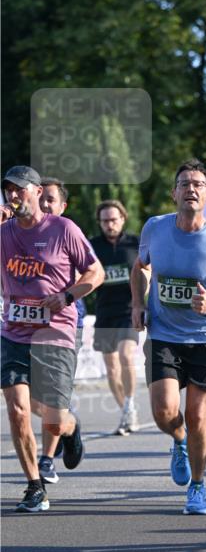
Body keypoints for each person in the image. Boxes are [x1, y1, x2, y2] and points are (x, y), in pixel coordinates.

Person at [130, 158, 206, 514]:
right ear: (174, 193)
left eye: (198, 184)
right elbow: (141, 266)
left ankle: (198, 487)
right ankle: (179, 440)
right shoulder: (155, 228)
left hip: (205, 337)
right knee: (164, 412)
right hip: (164, 333)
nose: (191, 189)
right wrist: (138, 302)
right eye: (184, 183)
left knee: (198, 417)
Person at [1, 165, 104, 512]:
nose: (12, 196)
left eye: (18, 189)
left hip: (55, 331)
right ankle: (34, 485)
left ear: (36, 191)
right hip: (13, 333)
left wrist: (68, 296)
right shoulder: (2, 233)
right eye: (7, 190)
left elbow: (96, 271)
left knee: (54, 419)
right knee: (17, 409)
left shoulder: (63, 229)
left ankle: (71, 428)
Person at [36, 178, 87, 484]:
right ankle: (70, 426)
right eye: (40, 197)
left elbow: (90, 274)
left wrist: (64, 295)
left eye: (50, 199)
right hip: (22, 326)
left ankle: (45, 459)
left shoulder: (68, 232)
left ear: (62, 206)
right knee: (27, 398)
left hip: (64, 325)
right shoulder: (18, 232)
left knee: (50, 394)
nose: (44, 204)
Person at [89, 200, 141, 436]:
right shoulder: (92, 246)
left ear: (123, 219)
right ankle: (126, 411)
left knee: (126, 355)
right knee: (111, 369)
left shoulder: (136, 243)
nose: (110, 224)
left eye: (114, 219)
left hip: (130, 310)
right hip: (104, 312)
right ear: (99, 222)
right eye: (105, 221)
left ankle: (130, 403)